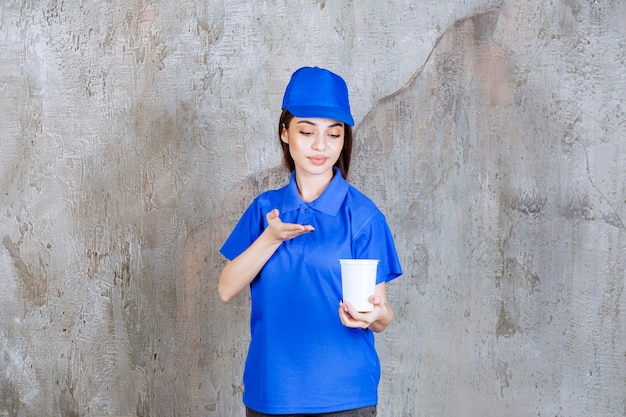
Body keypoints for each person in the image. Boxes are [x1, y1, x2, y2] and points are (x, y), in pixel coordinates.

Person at [218, 66, 403, 417]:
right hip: (271, 393)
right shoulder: (266, 209)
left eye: (334, 135)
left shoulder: (362, 216)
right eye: (307, 132)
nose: (321, 146)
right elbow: (226, 288)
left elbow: (381, 315)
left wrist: (376, 313)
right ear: (285, 133)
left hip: (345, 396)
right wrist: (270, 239)